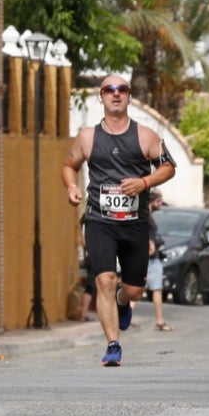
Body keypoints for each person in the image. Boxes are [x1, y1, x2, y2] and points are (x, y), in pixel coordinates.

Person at [63, 75, 176, 367]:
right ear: (101, 97)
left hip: (134, 223)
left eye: (122, 90)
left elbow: (168, 167)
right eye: (109, 90)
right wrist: (71, 186)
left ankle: (124, 301)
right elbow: (69, 165)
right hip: (100, 220)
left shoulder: (146, 135)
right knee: (104, 280)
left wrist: (144, 182)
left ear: (128, 97)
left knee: (135, 288)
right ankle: (113, 344)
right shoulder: (87, 137)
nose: (116, 94)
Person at [145, 188, 173, 331]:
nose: (161, 204)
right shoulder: (147, 217)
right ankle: (160, 320)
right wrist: (151, 243)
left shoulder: (144, 214)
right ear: (152, 201)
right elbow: (147, 234)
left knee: (135, 290)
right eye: (159, 200)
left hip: (145, 257)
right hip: (151, 258)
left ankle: (126, 317)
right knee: (156, 288)